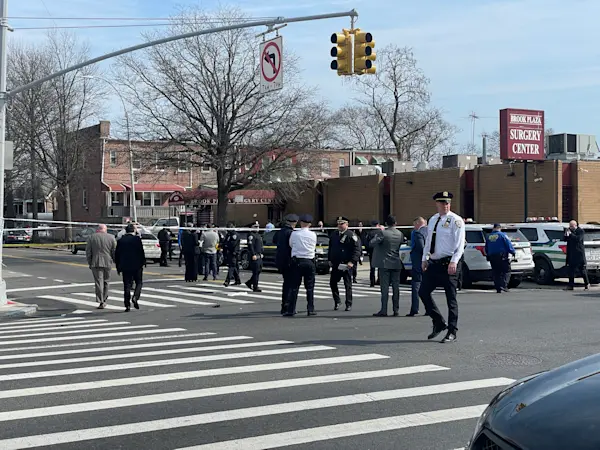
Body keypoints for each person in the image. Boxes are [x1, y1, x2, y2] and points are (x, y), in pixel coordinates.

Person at [419, 191, 465, 344]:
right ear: (437, 204)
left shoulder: (456, 220)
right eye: (442, 203)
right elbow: (428, 242)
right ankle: (438, 322)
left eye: (448, 203)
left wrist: (454, 262)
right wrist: (424, 258)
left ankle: (452, 331)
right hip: (434, 263)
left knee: (451, 299)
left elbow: (460, 245)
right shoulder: (433, 219)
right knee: (423, 292)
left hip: (449, 263)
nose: (446, 205)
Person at [370, 215, 405, 317]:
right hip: (396, 263)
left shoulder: (383, 233)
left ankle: (384, 309)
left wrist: (378, 233)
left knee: (384, 288)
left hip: (384, 263)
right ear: (396, 223)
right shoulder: (400, 233)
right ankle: (396, 309)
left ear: (386, 224)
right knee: (396, 288)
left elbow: (372, 243)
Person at [328, 216, 362, 311]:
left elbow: (357, 250)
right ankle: (337, 301)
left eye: (342, 224)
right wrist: (329, 259)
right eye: (338, 223)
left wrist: (352, 262)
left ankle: (348, 303)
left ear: (347, 224)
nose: (339, 225)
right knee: (333, 283)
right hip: (336, 264)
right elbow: (331, 248)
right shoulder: (334, 234)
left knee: (347, 285)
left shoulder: (351, 235)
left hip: (347, 264)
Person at [289, 214, 318, 316]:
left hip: (297, 261)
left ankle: (291, 309)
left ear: (301, 223)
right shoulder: (313, 235)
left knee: (294, 287)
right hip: (309, 261)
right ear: (309, 224)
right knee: (310, 287)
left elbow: (291, 244)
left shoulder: (295, 234)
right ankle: (310, 309)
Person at [115, 223, 146, 312]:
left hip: (125, 266)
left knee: (127, 285)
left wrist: (118, 267)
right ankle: (136, 296)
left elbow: (117, 254)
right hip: (137, 265)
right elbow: (141, 252)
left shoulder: (121, 240)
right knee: (139, 282)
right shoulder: (136, 239)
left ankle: (127, 305)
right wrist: (143, 262)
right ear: (133, 230)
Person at [85, 224, 117, 309]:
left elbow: (88, 252)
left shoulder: (92, 237)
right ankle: (105, 299)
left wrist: (90, 262)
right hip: (107, 262)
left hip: (96, 262)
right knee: (106, 281)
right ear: (105, 229)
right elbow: (114, 251)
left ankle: (101, 300)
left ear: (98, 229)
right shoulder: (111, 237)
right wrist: (115, 261)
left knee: (98, 282)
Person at [274, 214, 298, 314]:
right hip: (289, 260)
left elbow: (274, 241)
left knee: (286, 284)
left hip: (280, 260)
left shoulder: (279, 232)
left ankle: (284, 305)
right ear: (294, 223)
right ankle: (288, 306)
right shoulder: (292, 233)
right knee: (291, 284)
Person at [485, 223, 516, 293]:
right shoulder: (502, 235)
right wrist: (513, 252)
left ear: (494, 228)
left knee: (496, 272)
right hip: (502, 256)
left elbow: (486, 247)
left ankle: (498, 287)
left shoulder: (489, 236)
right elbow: (508, 244)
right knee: (506, 271)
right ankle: (503, 286)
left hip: (492, 256)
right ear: (499, 228)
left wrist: (488, 254)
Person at [409, 216, 428, 316]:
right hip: (428, 262)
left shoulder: (417, 233)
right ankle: (428, 309)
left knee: (416, 285)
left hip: (418, 262)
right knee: (426, 287)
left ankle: (415, 308)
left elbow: (421, 247)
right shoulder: (429, 232)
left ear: (417, 224)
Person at [565, 220, 589, 290]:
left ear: (575, 225)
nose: (571, 228)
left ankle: (587, 284)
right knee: (571, 271)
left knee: (582, 271)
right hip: (571, 254)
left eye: (572, 226)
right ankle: (570, 285)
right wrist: (566, 234)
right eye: (570, 226)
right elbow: (565, 239)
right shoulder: (569, 231)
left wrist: (571, 234)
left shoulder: (580, 231)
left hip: (579, 254)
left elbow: (578, 239)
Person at [245, 223, 264, 292]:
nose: (257, 228)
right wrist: (253, 254)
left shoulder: (258, 235)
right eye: (255, 227)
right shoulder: (251, 235)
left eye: (258, 226)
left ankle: (249, 282)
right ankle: (255, 286)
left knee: (259, 270)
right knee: (256, 272)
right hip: (254, 255)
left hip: (259, 255)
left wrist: (261, 253)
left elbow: (260, 245)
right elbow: (250, 246)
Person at [365, 220, 382, 287]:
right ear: (378, 224)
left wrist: (368, 251)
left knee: (372, 267)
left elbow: (366, 243)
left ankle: (372, 282)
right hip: (380, 251)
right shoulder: (381, 232)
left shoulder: (369, 233)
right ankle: (379, 280)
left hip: (372, 252)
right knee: (380, 267)